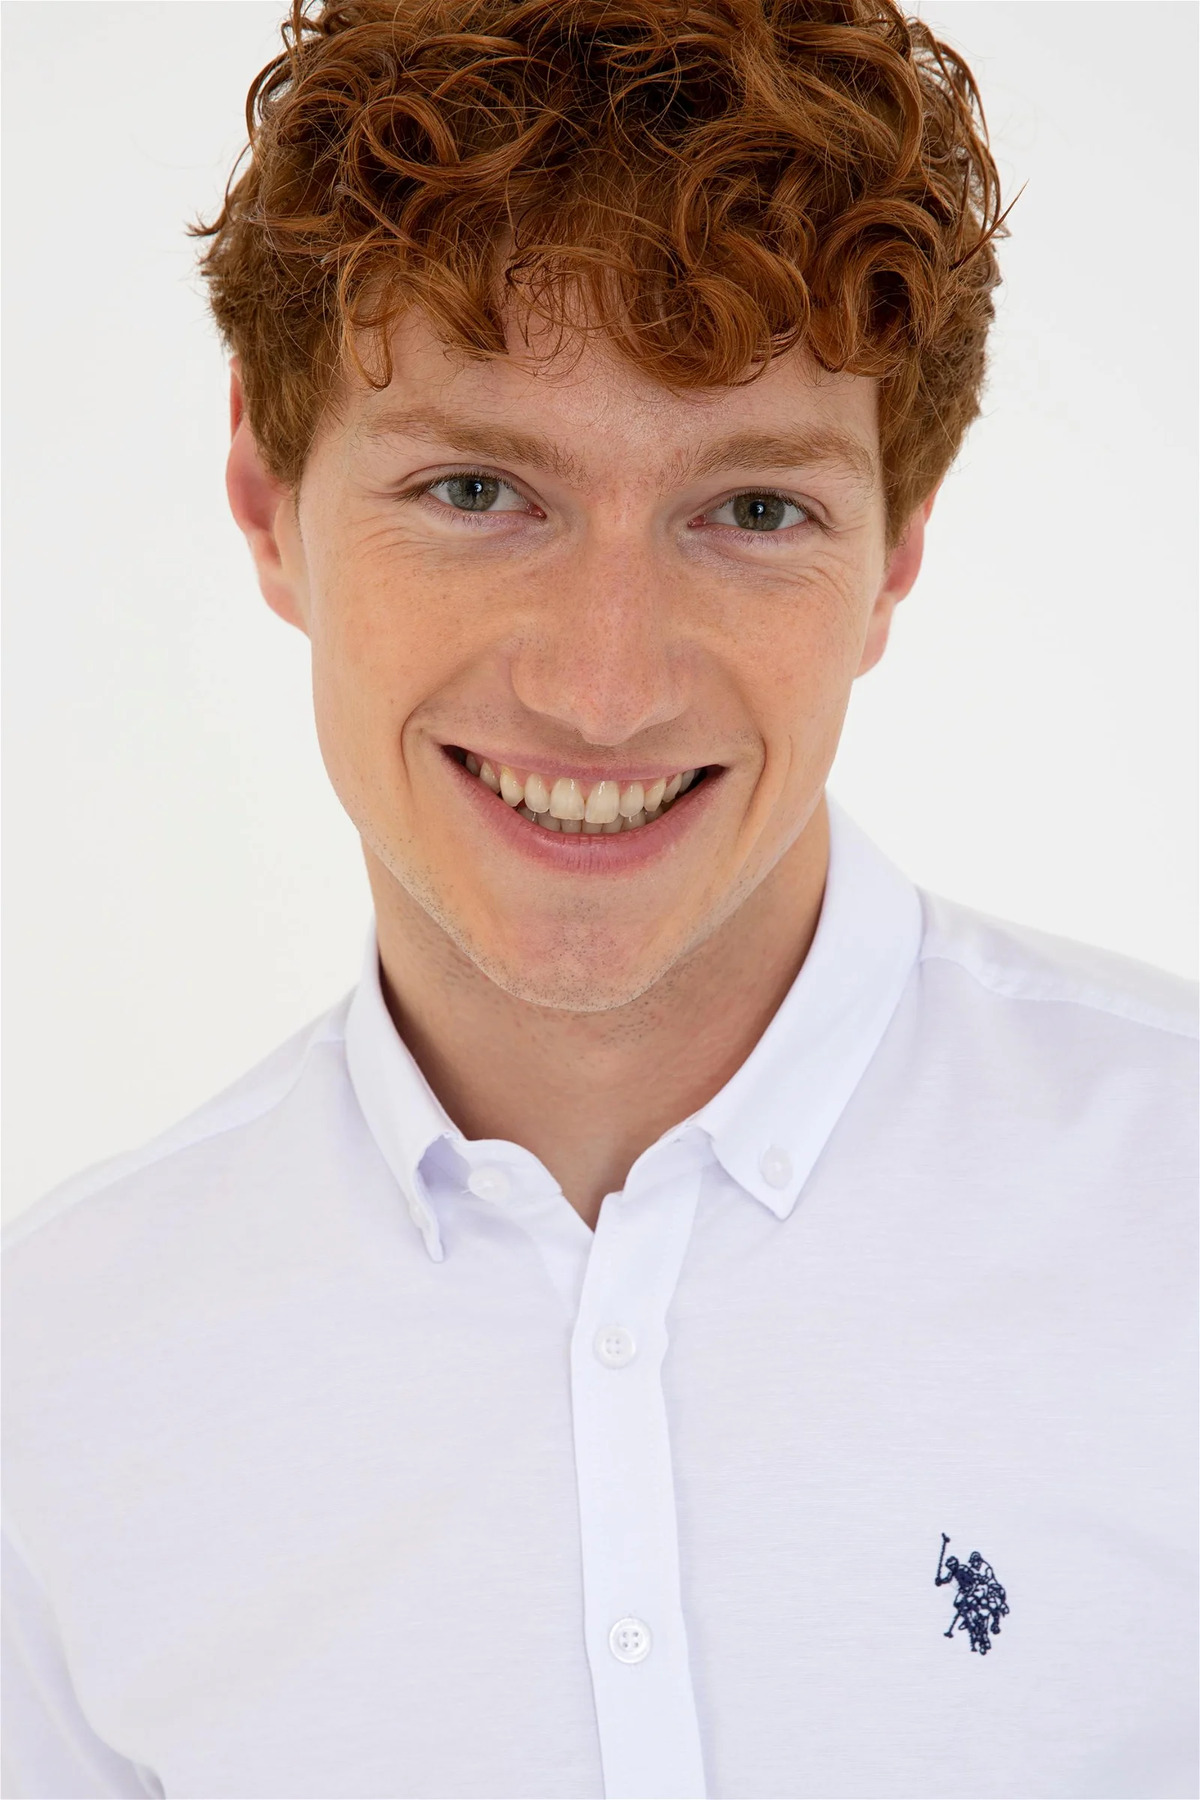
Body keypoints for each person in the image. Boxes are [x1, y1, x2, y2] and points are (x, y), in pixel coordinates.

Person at [3, 1, 1195, 1795]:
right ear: (265, 496)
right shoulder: (52, 1395)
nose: (604, 689)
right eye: (479, 489)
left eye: (754, 511)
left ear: (901, 546)